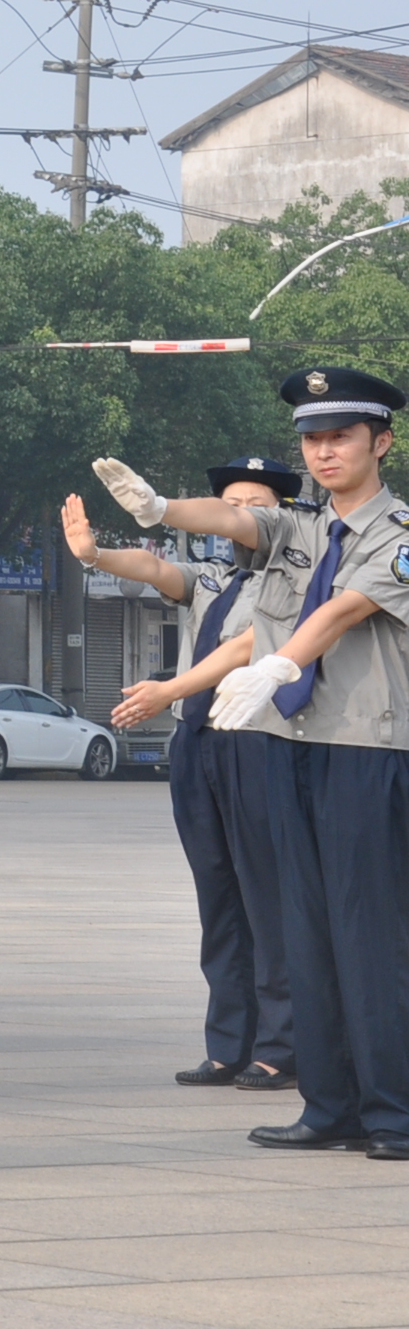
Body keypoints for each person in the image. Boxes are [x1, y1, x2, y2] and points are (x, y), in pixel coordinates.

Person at [101, 373, 409, 1155]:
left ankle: (392, 1112)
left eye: (341, 436)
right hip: (290, 745)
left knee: (369, 934)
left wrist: (279, 662)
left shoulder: (399, 532)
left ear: (382, 442)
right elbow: (237, 518)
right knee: (304, 932)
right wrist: (160, 509)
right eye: (312, 439)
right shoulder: (300, 527)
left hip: (367, 751)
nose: (324, 451)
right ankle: (328, 1105)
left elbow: (342, 609)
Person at [74, 462, 294, 1090]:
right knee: (217, 896)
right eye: (230, 503)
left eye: (255, 504)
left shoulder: (294, 581)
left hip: (258, 740)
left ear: (280, 515)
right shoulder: (215, 577)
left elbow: (249, 646)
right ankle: (228, 1044)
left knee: (267, 898)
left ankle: (281, 1046)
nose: (240, 514)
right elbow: (154, 568)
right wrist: (94, 555)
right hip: (198, 744)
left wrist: (169, 689)